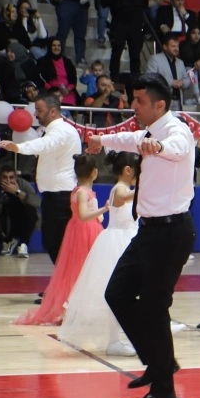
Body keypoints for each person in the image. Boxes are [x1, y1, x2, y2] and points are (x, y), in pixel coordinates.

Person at [85, 73, 198, 398]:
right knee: (116, 293)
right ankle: (159, 362)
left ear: (160, 105)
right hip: (147, 232)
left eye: (139, 101)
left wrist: (158, 147)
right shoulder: (148, 132)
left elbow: (176, 148)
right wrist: (101, 140)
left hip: (172, 232)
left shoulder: (176, 132)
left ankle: (164, 389)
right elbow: (129, 138)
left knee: (153, 307)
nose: (132, 106)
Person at [59, 153, 140, 357]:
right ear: (128, 170)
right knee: (117, 290)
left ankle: (149, 327)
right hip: (116, 242)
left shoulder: (126, 189)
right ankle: (117, 339)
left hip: (128, 238)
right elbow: (129, 197)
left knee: (134, 289)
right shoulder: (119, 190)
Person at [15, 154, 104, 326]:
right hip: (84, 231)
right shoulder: (81, 193)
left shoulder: (80, 191)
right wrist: (104, 209)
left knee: (86, 269)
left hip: (86, 230)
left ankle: (85, 308)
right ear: (95, 173)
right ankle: (76, 309)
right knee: (81, 269)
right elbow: (84, 216)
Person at [0, 92, 82, 261]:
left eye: (39, 109)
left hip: (61, 197)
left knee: (55, 244)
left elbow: (44, 144)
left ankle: (67, 285)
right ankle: (65, 285)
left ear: (52, 111)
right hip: (56, 196)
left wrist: (18, 147)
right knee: (55, 244)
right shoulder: (58, 130)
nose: (35, 114)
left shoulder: (61, 131)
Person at [0, 168, 41, 255]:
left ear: (16, 178)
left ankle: (23, 244)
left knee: (31, 210)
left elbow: (37, 202)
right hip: (5, 223)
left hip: (23, 221)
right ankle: (8, 241)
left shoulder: (23, 184)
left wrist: (17, 192)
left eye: (11, 177)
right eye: (5, 177)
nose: (8, 180)